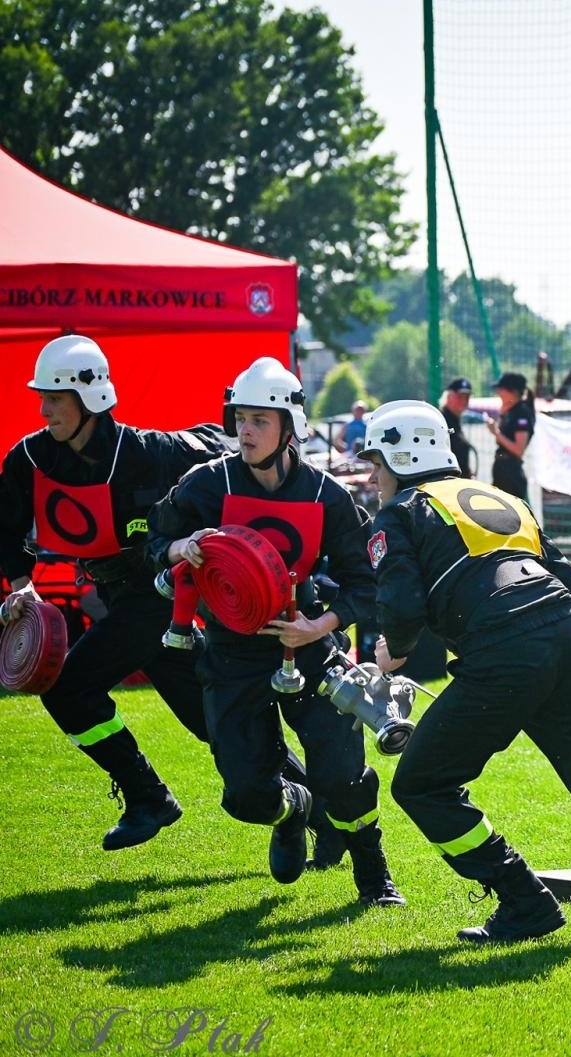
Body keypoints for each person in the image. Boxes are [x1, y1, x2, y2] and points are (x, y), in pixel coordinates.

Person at [358, 401, 571, 942]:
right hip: (562, 634)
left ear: (404, 455)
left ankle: (525, 900)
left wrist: (393, 650)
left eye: (376, 461)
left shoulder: (401, 512)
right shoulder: (502, 498)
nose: (373, 476)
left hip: (502, 648)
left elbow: (401, 602)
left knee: (422, 784)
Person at [146, 357, 404, 906]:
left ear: (290, 427)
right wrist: (180, 548)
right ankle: (294, 810)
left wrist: (319, 626)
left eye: (259, 420)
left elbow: (364, 583)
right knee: (245, 795)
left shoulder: (326, 494)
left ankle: (373, 872)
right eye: (240, 418)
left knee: (343, 774)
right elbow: (154, 541)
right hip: (230, 652)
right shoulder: (205, 483)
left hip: (309, 646)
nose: (245, 431)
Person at [0, 334, 229, 849]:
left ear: (89, 398)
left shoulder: (149, 451)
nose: (43, 410)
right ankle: (315, 804)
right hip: (118, 598)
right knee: (215, 718)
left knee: (67, 689)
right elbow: (5, 527)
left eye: (54, 399)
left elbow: (218, 451)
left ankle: (148, 797)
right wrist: (22, 587)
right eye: (43, 398)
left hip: (157, 595)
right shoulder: (29, 458)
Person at [490, 372, 536, 501]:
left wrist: (496, 432)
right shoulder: (510, 411)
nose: (498, 393)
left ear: (513, 392)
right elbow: (500, 441)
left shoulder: (521, 412)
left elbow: (518, 449)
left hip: (511, 474)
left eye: (501, 389)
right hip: (503, 470)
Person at [439, 377, 474, 477]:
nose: (463, 401)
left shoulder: (454, 420)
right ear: (449, 396)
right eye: (459, 396)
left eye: (467, 397)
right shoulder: (441, 421)